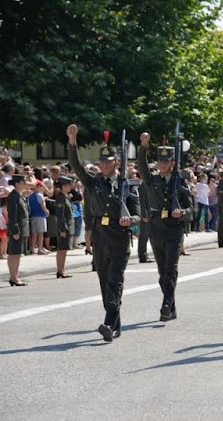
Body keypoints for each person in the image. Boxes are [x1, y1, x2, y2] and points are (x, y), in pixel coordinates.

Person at [67, 124, 140, 342]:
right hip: (100, 237)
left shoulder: (127, 185)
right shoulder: (93, 182)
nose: (104, 165)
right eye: (102, 162)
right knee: (104, 281)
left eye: (109, 161)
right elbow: (76, 165)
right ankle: (115, 326)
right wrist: (72, 142)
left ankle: (108, 322)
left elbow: (138, 215)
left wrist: (130, 220)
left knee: (115, 281)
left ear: (117, 162)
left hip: (118, 237)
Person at [138, 133, 193, 322]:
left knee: (171, 269)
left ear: (172, 162)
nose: (162, 164)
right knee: (162, 273)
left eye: (166, 161)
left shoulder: (180, 181)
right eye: (160, 161)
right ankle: (172, 307)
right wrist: (143, 147)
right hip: (156, 228)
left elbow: (191, 208)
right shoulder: (152, 180)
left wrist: (182, 212)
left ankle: (166, 304)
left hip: (174, 229)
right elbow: (141, 166)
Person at [7, 174, 29, 286]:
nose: (25, 184)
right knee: (14, 253)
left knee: (18, 253)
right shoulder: (13, 196)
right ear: (16, 184)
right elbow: (12, 215)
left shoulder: (19, 196)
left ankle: (15, 275)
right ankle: (13, 277)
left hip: (22, 228)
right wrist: (15, 230)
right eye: (23, 182)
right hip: (17, 229)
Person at [55, 176, 75, 279]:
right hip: (64, 228)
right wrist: (62, 229)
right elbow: (60, 215)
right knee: (62, 249)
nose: (71, 187)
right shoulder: (60, 197)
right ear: (64, 186)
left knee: (64, 249)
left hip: (68, 227)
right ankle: (60, 270)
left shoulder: (65, 196)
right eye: (69, 185)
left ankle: (62, 270)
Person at [28, 180, 50, 255]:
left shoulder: (30, 196)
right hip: (40, 215)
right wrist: (47, 211)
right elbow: (42, 205)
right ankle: (40, 249)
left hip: (33, 215)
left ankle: (32, 249)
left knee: (34, 233)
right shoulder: (39, 195)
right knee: (41, 233)